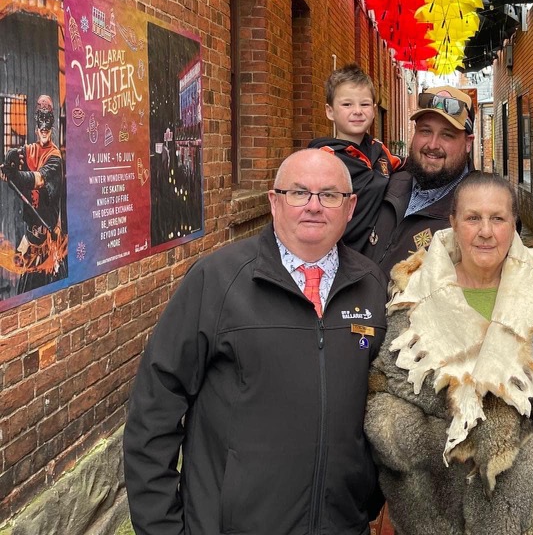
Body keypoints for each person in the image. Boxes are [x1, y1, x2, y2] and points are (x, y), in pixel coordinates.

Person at [124, 149, 388, 535]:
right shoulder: (217, 280)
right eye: (298, 192)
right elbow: (154, 409)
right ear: (273, 202)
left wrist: (366, 497)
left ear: (350, 208)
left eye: (330, 195)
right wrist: (162, 527)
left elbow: (382, 403)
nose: (313, 207)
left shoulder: (371, 285)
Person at [365, 172, 533, 534]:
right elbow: (386, 393)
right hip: (434, 514)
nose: (485, 231)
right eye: (473, 218)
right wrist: (437, 450)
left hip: (529, 518)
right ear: (454, 223)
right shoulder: (414, 296)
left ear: (514, 225)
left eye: (498, 218)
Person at [363, 85, 474, 277]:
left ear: (468, 143)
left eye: (447, 134)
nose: (432, 145)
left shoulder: (478, 211)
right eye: (425, 131)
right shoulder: (386, 182)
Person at [309, 63, 402, 252]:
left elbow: (406, 166)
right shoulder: (323, 160)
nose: (357, 110)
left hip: (373, 256)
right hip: (335, 254)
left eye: (365, 104)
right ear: (330, 111)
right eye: (347, 104)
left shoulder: (380, 152)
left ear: (374, 110)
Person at [0, 94, 65, 287]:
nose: (44, 130)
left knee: (44, 291)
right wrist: (9, 160)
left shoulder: (55, 157)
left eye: (47, 125)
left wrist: (16, 176)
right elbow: (19, 155)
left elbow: (39, 179)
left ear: (51, 126)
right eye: (41, 125)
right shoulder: (31, 150)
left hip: (47, 243)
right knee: (23, 287)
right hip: (30, 238)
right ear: (36, 126)